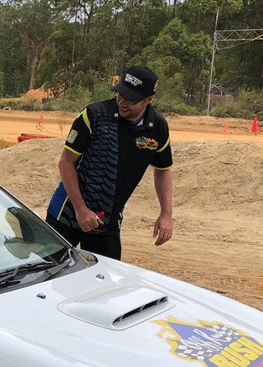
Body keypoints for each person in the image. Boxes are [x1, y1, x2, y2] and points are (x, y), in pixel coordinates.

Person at [45, 65, 174, 261]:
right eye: (120, 94)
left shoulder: (157, 127)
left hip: (107, 221)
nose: (122, 102)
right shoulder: (94, 115)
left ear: (148, 100)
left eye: (130, 99)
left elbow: (163, 170)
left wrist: (166, 214)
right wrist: (81, 209)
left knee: (104, 280)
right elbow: (65, 162)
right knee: (47, 274)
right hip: (67, 212)